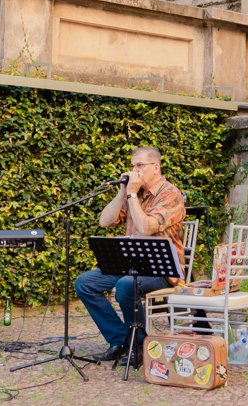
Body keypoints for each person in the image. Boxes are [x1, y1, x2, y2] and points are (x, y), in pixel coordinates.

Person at [74, 146, 186, 365]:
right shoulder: (135, 193)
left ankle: (140, 347)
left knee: (126, 285)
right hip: (132, 263)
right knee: (85, 283)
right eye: (133, 166)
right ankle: (120, 341)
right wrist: (123, 192)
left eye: (140, 166)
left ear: (156, 167)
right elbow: (104, 221)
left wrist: (132, 194)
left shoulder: (171, 194)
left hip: (162, 269)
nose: (134, 171)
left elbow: (146, 228)